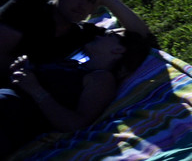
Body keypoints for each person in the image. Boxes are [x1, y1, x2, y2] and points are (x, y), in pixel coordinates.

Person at [0, 28, 152, 155]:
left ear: (118, 49)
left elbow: (76, 124)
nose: (98, 36)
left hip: (15, 114)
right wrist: (22, 72)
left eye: (107, 35)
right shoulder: (74, 64)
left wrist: (35, 90)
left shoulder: (102, 78)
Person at [0, 0, 151, 71]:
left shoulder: (80, 34)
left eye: (90, 0)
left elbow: (142, 35)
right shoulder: (29, 5)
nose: (82, 5)